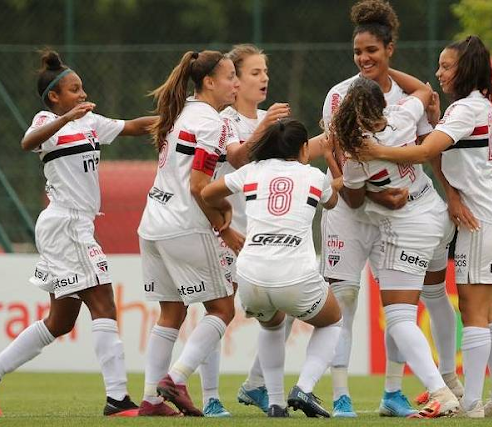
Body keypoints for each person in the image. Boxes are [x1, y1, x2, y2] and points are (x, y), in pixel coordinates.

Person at [0, 50, 155, 417]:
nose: (82, 95)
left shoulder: (90, 123)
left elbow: (132, 126)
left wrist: (177, 120)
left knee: (61, 320)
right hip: (66, 224)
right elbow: (27, 142)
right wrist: (66, 117)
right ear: (55, 96)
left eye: (82, 89)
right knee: (103, 302)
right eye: (74, 89)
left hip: (72, 225)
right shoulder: (49, 119)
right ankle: (117, 398)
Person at [357, 35, 492, 418]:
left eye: (446, 66)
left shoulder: (466, 109)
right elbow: (439, 153)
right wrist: (453, 195)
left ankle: (473, 403)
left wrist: (378, 150)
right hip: (491, 212)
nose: (438, 73)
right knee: (488, 311)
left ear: (464, 69)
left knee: (473, 311)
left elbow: (429, 151)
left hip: (483, 219)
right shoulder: (471, 106)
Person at [320, 0, 460, 417]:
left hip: (400, 216)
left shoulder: (402, 101)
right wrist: (374, 192)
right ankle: (341, 395)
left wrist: (450, 193)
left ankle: (394, 392)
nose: (364, 59)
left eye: (372, 52)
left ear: (389, 49)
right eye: (358, 53)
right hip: (352, 211)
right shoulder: (338, 96)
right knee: (344, 297)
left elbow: (427, 150)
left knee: (402, 306)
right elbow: (335, 155)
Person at [202, 118, 343, 418]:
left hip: (251, 273)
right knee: (333, 321)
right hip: (295, 273)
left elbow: (207, 193)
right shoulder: (313, 176)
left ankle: (277, 403)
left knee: (272, 324)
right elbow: (333, 202)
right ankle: (304, 387)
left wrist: (224, 212)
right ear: (305, 149)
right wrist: (332, 161)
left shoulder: (251, 171)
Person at [136, 50, 241, 417]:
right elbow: (199, 186)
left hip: (152, 224)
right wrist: (222, 221)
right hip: (184, 224)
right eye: (230, 76)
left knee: (172, 313)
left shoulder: (180, 112)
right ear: (209, 81)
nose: (237, 83)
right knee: (222, 307)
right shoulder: (213, 122)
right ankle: (177, 379)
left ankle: (150, 400)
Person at [196, 44, 290, 417]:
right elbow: (235, 160)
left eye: (264, 71)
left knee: (288, 304)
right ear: (233, 81)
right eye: (253, 72)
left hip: (264, 234)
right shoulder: (225, 121)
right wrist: (266, 129)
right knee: (219, 312)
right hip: (228, 229)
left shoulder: (270, 118)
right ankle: (209, 396)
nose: (263, 78)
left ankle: (255, 384)